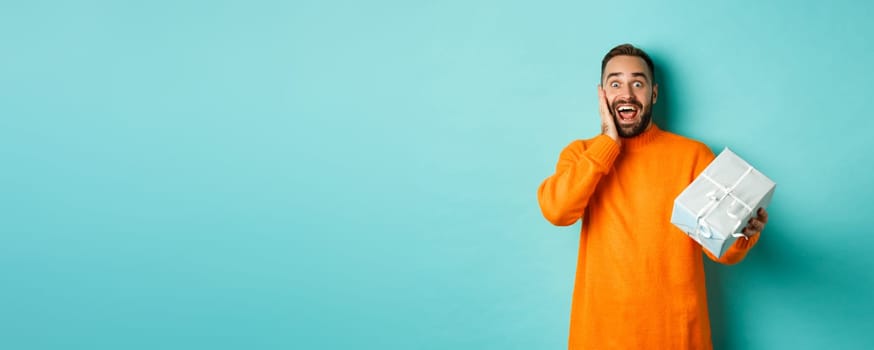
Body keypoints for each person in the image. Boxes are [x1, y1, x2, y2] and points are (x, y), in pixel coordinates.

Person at [536, 43, 769, 350]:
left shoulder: (693, 156)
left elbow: (721, 253)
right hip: (600, 335)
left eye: (638, 83)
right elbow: (556, 211)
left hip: (676, 335)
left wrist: (742, 234)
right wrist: (608, 143)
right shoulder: (581, 154)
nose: (627, 93)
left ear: (653, 94)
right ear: (602, 95)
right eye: (615, 83)